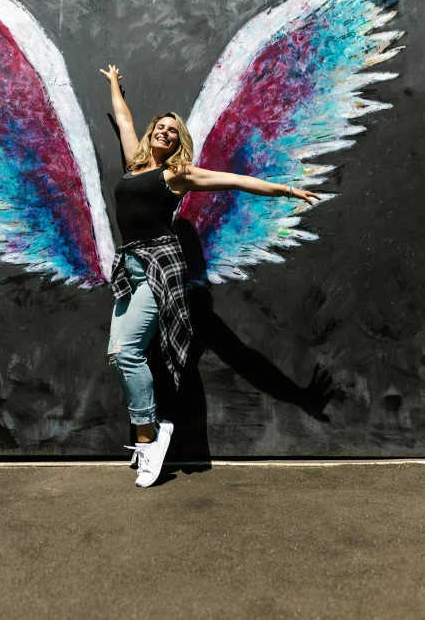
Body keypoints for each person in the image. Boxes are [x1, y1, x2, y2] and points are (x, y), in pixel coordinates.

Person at [100, 64, 320, 488]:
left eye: (173, 130)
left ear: (179, 141)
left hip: (157, 266)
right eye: (160, 127)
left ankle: (150, 440)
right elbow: (124, 119)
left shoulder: (178, 176)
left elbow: (235, 181)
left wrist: (288, 190)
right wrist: (114, 84)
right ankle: (151, 434)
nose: (165, 132)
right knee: (120, 354)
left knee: (128, 352)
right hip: (127, 266)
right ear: (151, 134)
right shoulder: (134, 163)